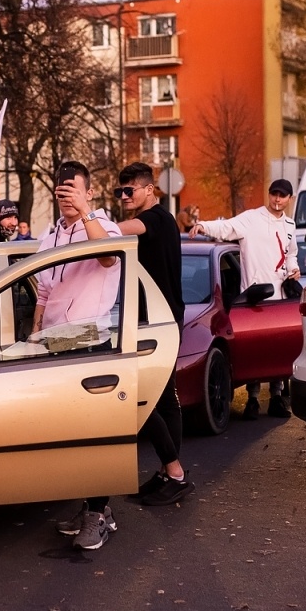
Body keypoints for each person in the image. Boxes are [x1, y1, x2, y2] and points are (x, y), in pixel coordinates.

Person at [33, 162, 123, 551]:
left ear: (90, 192)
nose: (66, 198)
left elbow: (107, 258)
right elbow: (43, 290)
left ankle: (98, 514)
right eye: (61, 191)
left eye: (74, 190)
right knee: (69, 433)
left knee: (93, 431)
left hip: (89, 338)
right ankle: (93, 507)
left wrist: (84, 215)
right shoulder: (50, 234)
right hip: (55, 341)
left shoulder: (104, 225)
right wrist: (35, 333)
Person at [106, 163, 189, 506]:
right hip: (152, 319)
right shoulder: (150, 224)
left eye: (130, 191)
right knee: (165, 398)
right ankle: (168, 474)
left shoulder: (157, 219)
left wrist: (89, 220)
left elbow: (120, 229)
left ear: (149, 189)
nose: (124, 196)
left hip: (160, 321)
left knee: (142, 397)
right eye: (119, 191)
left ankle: (176, 473)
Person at [192, 179, 300, 419]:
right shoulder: (252, 218)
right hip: (252, 296)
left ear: (289, 199)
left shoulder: (290, 224)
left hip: (279, 296)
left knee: (277, 348)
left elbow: (290, 253)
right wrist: (203, 226)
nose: (277, 199)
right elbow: (227, 228)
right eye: (274, 194)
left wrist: (294, 268)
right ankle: (252, 399)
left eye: (282, 196)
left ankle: (276, 397)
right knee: (255, 348)